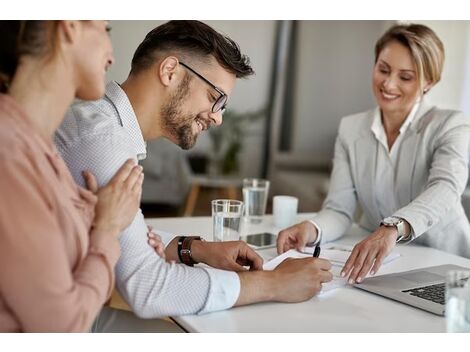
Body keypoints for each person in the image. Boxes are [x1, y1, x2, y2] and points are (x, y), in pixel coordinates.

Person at [55, 20, 333, 328]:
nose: (217, 118)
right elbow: (146, 285)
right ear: (170, 71)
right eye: (216, 98)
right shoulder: (105, 142)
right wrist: (273, 284)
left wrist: (195, 249)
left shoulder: (102, 124)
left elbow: (126, 237)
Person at [277, 23, 470, 285]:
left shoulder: (450, 125)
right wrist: (311, 228)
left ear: (429, 82)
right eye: (383, 69)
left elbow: (446, 187)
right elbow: (340, 209)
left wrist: (392, 227)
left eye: (406, 76)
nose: (388, 84)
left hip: (447, 265)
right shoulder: (351, 128)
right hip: (383, 268)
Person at [0, 21, 144, 332]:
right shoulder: (10, 154)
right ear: (70, 26)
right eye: (105, 29)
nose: (112, 55)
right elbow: (63, 329)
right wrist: (108, 229)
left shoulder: (39, 148)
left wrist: (93, 221)